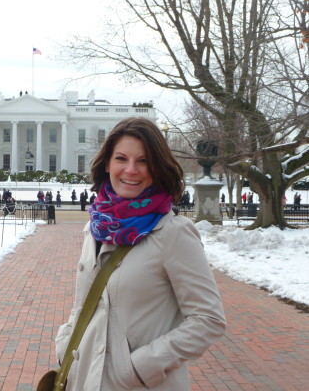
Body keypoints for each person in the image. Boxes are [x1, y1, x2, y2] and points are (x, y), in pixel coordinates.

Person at [54, 117, 226, 390]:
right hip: (85, 376)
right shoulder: (96, 228)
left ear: (157, 167)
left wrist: (140, 367)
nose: (131, 170)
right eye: (121, 158)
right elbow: (86, 303)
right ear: (107, 164)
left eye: (143, 161)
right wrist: (66, 342)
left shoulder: (172, 233)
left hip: (138, 384)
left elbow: (209, 320)